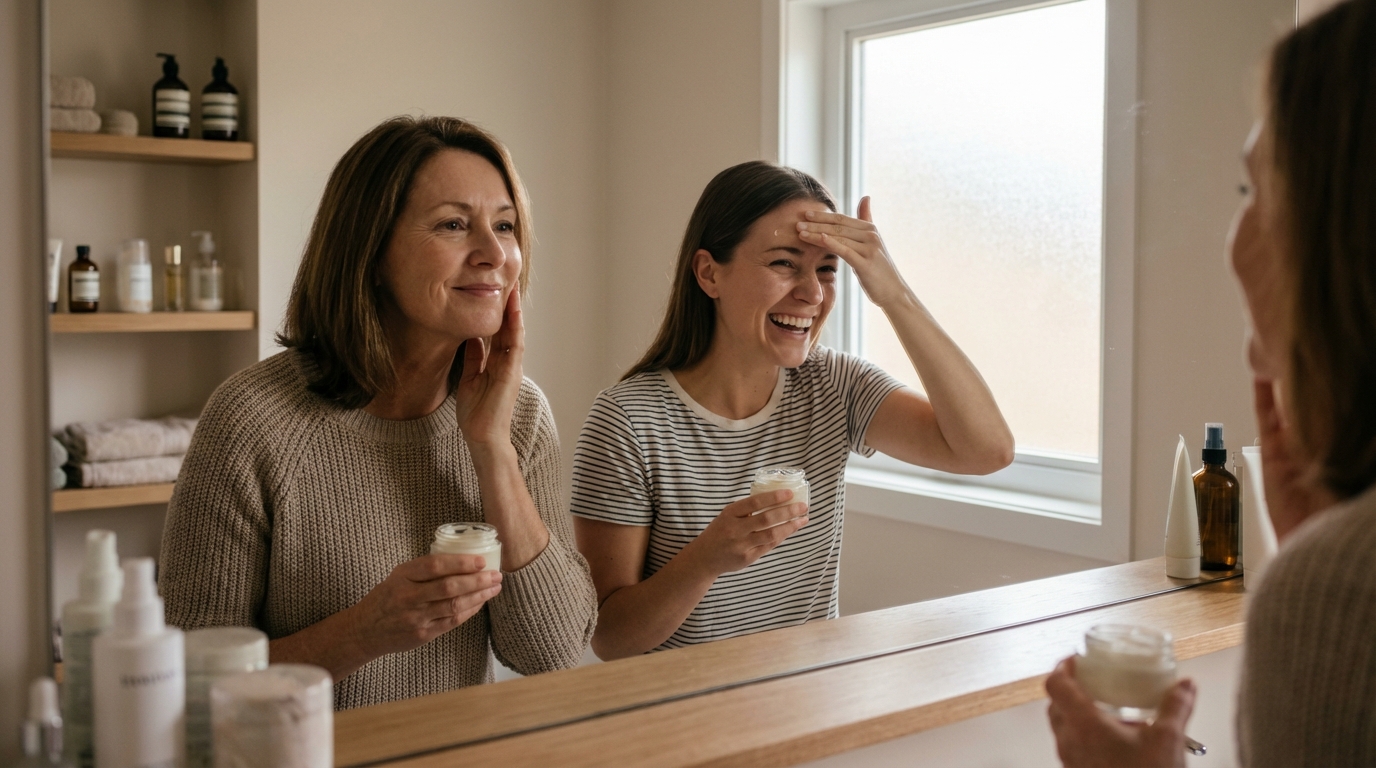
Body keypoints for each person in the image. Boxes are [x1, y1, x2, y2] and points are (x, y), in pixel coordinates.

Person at [158, 116, 597, 710]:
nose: (495, 254)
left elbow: (555, 652)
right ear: (370, 249)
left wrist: (492, 449)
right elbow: (190, 684)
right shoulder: (252, 421)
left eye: (506, 226)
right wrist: (364, 632)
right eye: (453, 225)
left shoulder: (518, 416)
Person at [1045, 2, 1376, 764]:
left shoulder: (1340, 594)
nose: (1234, 243)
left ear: (1339, 233)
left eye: (1250, 193)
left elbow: (984, 444)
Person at [571, 161, 1014, 659]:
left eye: (827, 269)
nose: (812, 293)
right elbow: (610, 637)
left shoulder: (834, 385)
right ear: (709, 273)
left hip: (810, 704)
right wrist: (706, 559)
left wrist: (893, 294)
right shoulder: (628, 421)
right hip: (683, 720)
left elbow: (987, 451)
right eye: (784, 263)